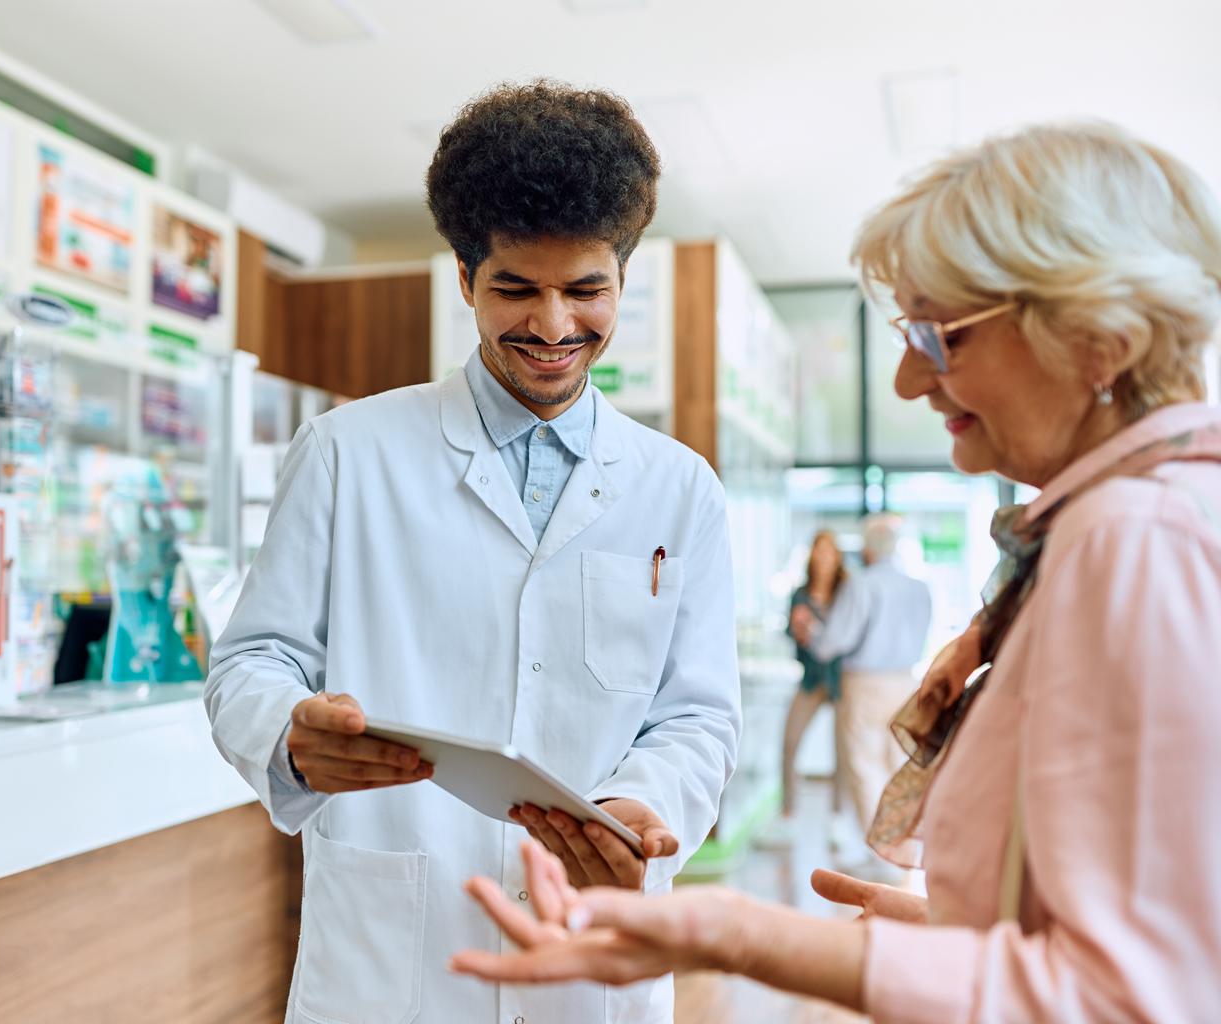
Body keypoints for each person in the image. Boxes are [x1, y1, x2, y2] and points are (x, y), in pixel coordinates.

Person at [450, 121, 1221, 1021]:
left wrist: (736, 933)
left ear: (1103, 339)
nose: (904, 381)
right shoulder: (1118, 529)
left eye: (942, 339)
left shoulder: (1143, 542)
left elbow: (1148, 995)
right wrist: (957, 929)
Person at [204, 80, 741, 1024]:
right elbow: (253, 659)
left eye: (586, 290)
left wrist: (648, 802)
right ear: (463, 277)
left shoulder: (679, 486)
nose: (553, 326)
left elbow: (697, 713)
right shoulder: (346, 453)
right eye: (515, 289)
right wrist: (291, 729)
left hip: (591, 950)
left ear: (624, 278)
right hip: (395, 954)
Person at [795, 514, 930, 858]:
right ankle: (904, 848)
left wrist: (810, 631)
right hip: (906, 682)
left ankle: (883, 855)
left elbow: (831, 643)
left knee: (865, 766)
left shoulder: (863, 585)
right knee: (897, 765)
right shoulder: (919, 587)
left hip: (865, 686)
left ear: (868, 549)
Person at [774, 530, 847, 827]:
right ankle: (788, 810)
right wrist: (799, 628)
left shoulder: (847, 592)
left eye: (829, 551)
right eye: (819, 550)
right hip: (811, 679)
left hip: (841, 679)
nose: (824, 557)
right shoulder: (800, 594)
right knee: (790, 740)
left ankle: (838, 815)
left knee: (842, 750)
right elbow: (791, 633)